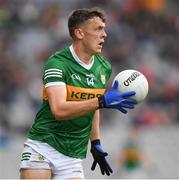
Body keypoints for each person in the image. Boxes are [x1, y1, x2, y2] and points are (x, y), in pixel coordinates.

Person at [20, 8, 138, 180]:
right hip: (43, 146)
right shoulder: (57, 63)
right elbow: (59, 110)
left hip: (72, 155)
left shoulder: (103, 67)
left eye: (104, 29)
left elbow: (92, 106)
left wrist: (95, 143)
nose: (104, 34)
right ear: (79, 33)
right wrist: (101, 101)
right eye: (98, 29)